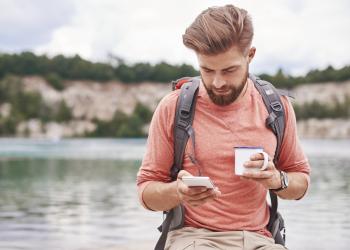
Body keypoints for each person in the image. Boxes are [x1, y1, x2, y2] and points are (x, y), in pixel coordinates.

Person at [137, 4, 310, 250]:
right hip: (194, 237)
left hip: (261, 239)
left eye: (229, 70)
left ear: (250, 55)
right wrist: (178, 192)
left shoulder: (276, 106)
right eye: (207, 70)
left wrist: (276, 179)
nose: (217, 82)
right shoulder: (174, 107)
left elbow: (301, 182)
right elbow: (146, 192)